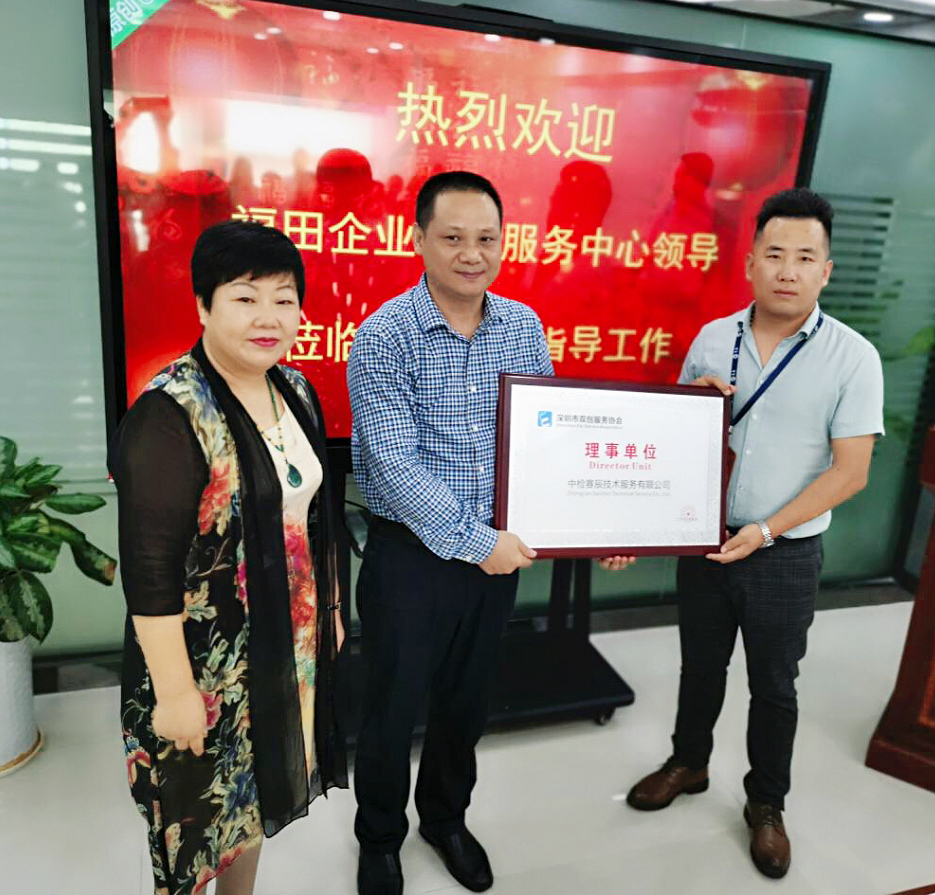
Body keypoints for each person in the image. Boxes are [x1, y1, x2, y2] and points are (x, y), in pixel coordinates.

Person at [625, 188, 884, 879]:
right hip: (706, 539)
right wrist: (695, 411)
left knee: (773, 683)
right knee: (699, 666)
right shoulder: (714, 338)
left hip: (784, 552)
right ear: (750, 263)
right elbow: (678, 441)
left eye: (804, 257)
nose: (787, 270)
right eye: (774, 254)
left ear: (825, 270)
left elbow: (851, 471)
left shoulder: (852, 357)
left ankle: (766, 803)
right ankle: (688, 762)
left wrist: (767, 530)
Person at [109, 220, 347, 895]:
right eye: (245, 297)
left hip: (283, 648)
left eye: (284, 299)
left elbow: (315, 519)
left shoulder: (294, 389)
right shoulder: (169, 413)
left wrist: (329, 611)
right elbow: (150, 571)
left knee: (253, 802)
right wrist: (176, 693)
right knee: (193, 823)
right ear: (203, 306)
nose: (268, 317)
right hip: (200, 666)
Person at [346, 171, 553, 895]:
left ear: (503, 241)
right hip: (410, 556)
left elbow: (544, 437)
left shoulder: (523, 326)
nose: (472, 253)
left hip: (494, 556)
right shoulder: (383, 335)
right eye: (453, 237)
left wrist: (586, 521)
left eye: (486, 238)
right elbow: (393, 465)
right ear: (419, 240)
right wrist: (477, 540)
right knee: (391, 706)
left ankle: (445, 819)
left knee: (467, 703)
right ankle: (379, 839)